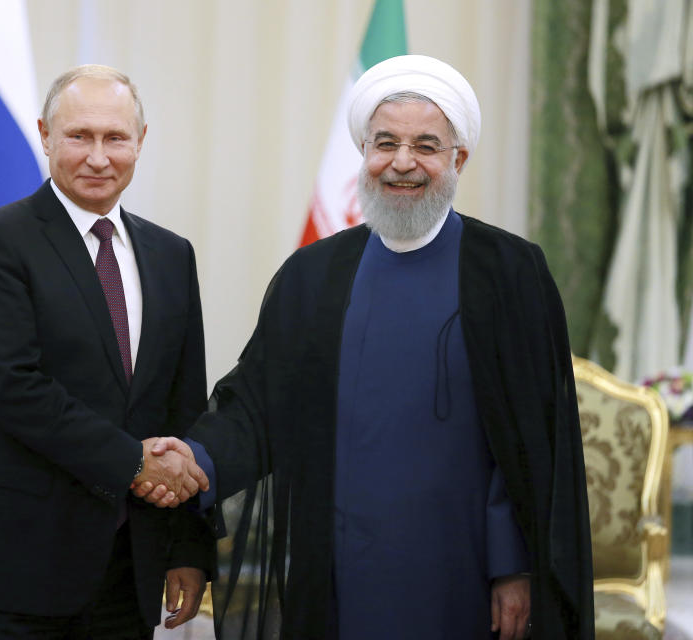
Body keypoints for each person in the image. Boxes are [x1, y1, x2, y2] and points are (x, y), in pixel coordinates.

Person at [134, 55, 594, 639]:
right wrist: (194, 462)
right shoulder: (315, 274)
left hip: (464, 568)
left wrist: (513, 566)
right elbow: (257, 406)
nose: (403, 163)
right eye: (386, 143)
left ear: (460, 159)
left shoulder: (509, 272)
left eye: (426, 145)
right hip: (340, 563)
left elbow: (530, 442)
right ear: (364, 154)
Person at [0, 64, 216, 640]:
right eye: (79, 136)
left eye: (115, 138)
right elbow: (13, 388)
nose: (98, 156)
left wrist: (189, 546)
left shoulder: (170, 255)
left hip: (129, 568)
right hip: (19, 563)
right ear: (44, 135)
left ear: (141, 141)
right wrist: (135, 463)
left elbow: (184, 404)